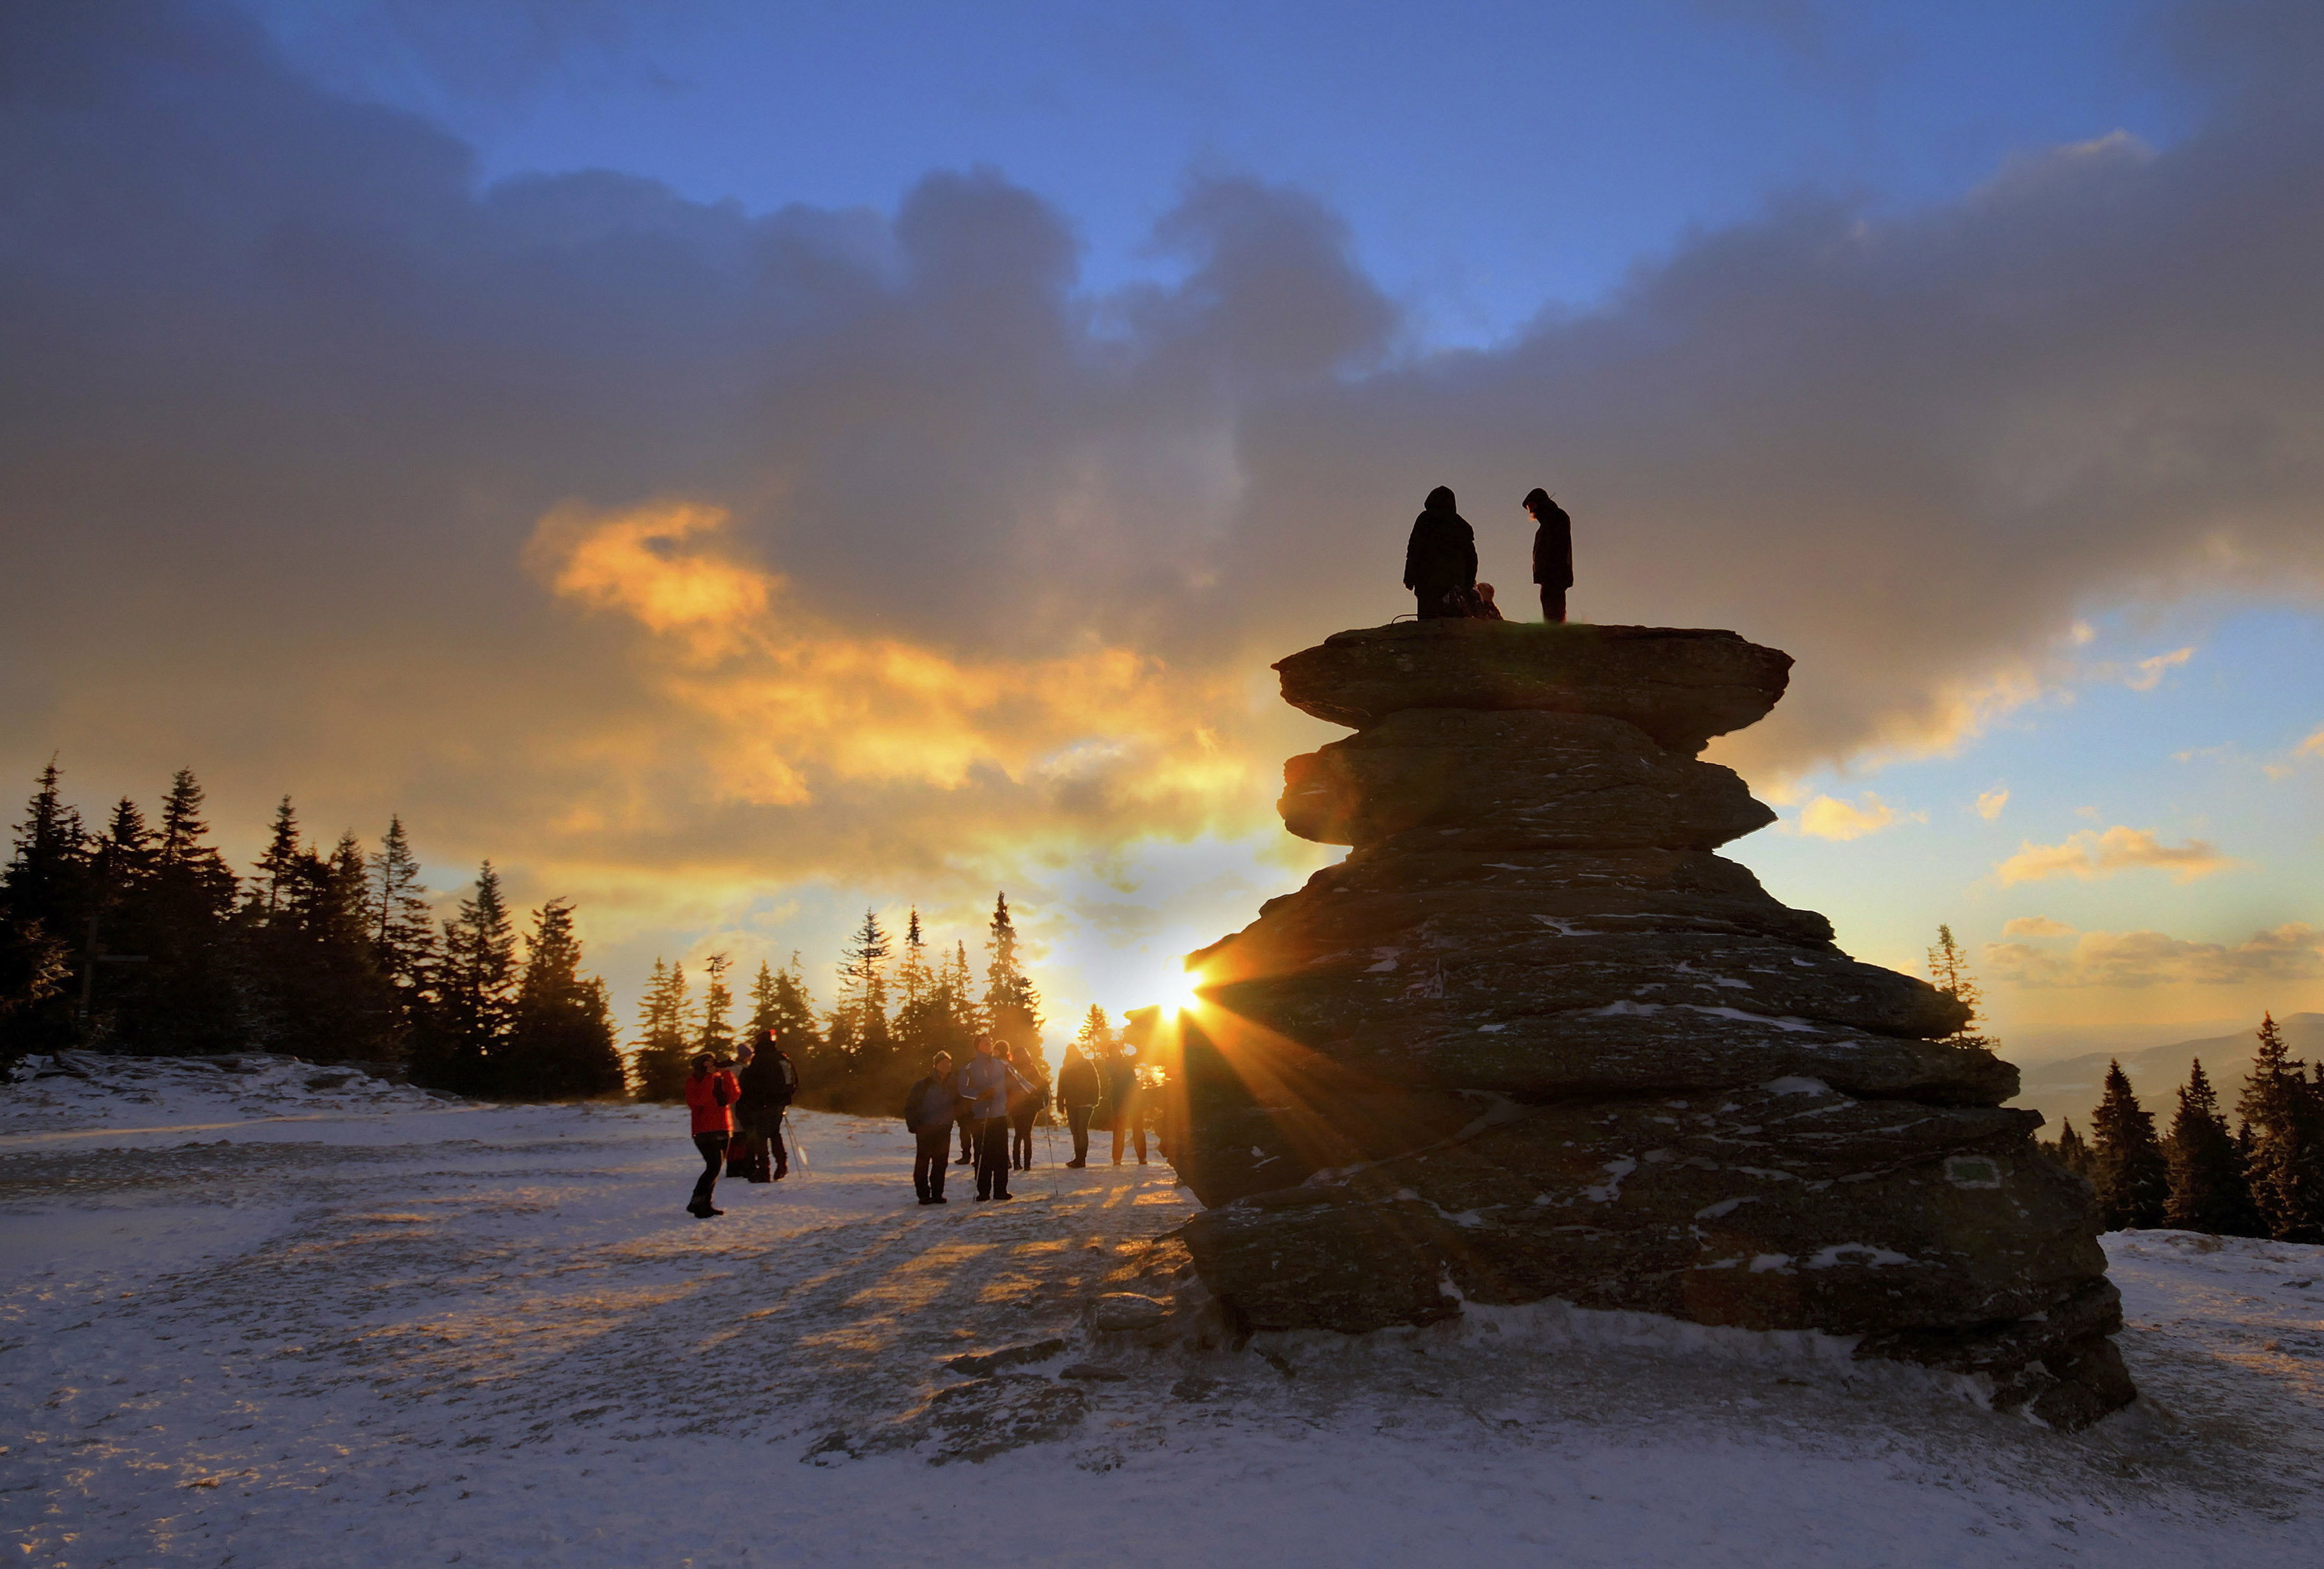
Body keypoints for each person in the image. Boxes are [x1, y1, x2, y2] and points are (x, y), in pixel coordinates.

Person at [956, 1035, 1034, 1200]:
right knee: (982, 1154)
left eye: (990, 1042)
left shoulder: (1002, 1064)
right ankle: (983, 1192)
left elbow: (1019, 1079)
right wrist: (980, 1095)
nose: (989, 1044)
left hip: (999, 1115)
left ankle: (1000, 1190)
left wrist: (1035, 1091)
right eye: (985, 1042)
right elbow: (962, 1089)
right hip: (981, 1117)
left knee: (1000, 1153)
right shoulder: (970, 1066)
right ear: (978, 1046)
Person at [1402, 486, 1477, 619]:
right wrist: (1468, 584)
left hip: (1427, 583)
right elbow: (1472, 558)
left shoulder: (1425, 519)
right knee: (1453, 622)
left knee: (1428, 623)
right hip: (1455, 584)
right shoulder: (1462, 526)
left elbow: (1414, 550)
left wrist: (1409, 577)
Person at [735, 1028, 797, 1182]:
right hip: (780, 1103)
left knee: (760, 1136)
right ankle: (782, 1164)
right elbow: (794, 1080)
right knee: (774, 1133)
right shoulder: (783, 1058)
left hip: (762, 1104)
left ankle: (764, 1170)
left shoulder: (761, 1059)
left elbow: (749, 1081)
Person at [682, 1052, 736, 1218]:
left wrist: (726, 1073)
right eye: (708, 1063)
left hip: (723, 1127)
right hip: (704, 1131)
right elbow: (700, 1100)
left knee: (716, 1168)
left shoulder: (719, 1078)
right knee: (713, 1167)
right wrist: (709, 1077)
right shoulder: (694, 1081)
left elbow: (733, 1096)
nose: (712, 1065)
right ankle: (697, 1201)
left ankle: (704, 1203)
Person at [902, 1051, 958, 1205]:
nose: (947, 1065)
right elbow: (911, 1105)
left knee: (941, 1163)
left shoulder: (954, 1083)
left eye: (949, 1063)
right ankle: (923, 1195)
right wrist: (913, 1125)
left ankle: (937, 1194)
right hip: (926, 1128)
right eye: (943, 1063)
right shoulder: (924, 1084)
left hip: (944, 1128)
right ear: (936, 1065)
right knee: (923, 1162)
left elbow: (960, 1103)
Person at [1526, 488, 1573, 624]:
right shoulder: (1546, 525)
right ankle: (1553, 630)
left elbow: (1559, 546)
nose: (1530, 511)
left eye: (1531, 506)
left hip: (1556, 573)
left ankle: (1557, 632)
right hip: (1548, 575)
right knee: (1548, 604)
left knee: (1555, 606)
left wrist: (1554, 569)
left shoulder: (1557, 518)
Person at [1004, 1042, 1048, 1171]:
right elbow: (1040, 1084)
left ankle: (1017, 1163)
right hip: (1030, 1105)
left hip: (1016, 1105)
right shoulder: (1032, 1068)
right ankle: (1027, 1164)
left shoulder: (1012, 1069)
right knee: (1027, 1134)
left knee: (1018, 1134)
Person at [1100, 1045, 1147, 1165]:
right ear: (1110, 1053)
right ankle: (1117, 1159)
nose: (1115, 1053)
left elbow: (1139, 1055)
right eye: (1112, 1051)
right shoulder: (1109, 1063)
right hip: (1120, 1101)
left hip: (1134, 1100)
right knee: (1119, 1131)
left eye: (1117, 1050)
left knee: (1138, 1130)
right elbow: (1114, 1075)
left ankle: (1142, 1158)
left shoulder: (1126, 1061)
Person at [1058, 1043, 1102, 1168]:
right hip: (1075, 1103)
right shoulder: (1067, 1068)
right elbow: (1061, 1087)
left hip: (1083, 1103)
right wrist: (1060, 1104)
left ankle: (1081, 1159)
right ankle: (1079, 1158)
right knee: (1077, 1131)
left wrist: (1094, 1099)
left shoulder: (1086, 1065)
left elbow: (1094, 1082)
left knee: (1080, 1131)